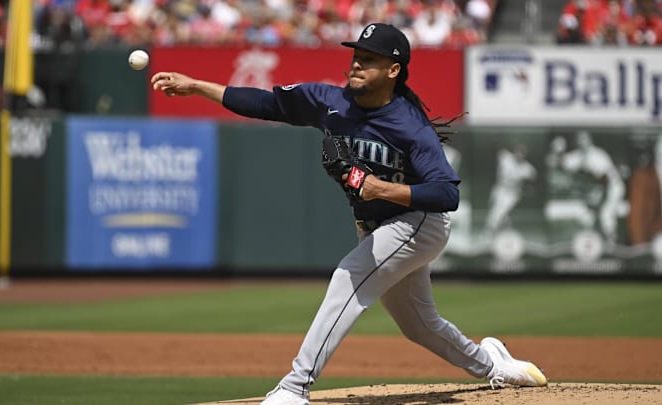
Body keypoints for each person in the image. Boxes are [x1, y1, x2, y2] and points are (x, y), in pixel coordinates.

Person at [151, 22, 547, 405]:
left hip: (418, 223)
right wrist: (197, 86)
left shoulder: (410, 126)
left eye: (369, 59)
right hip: (375, 225)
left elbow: (446, 193)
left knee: (349, 278)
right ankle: (493, 364)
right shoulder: (329, 102)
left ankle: (294, 387)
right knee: (419, 326)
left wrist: (382, 188)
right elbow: (266, 104)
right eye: (356, 55)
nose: (357, 64)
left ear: (393, 70)